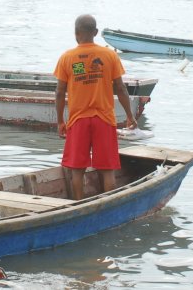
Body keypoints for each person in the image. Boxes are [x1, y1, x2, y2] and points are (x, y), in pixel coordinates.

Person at [54, 14, 138, 199]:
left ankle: (78, 205)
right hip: (104, 119)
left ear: (76, 33)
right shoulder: (109, 55)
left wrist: (60, 121)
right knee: (107, 170)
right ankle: (108, 204)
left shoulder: (67, 57)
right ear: (96, 32)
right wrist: (130, 116)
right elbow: (120, 88)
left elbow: (60, 92)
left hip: (78, 120)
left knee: (77, 171)